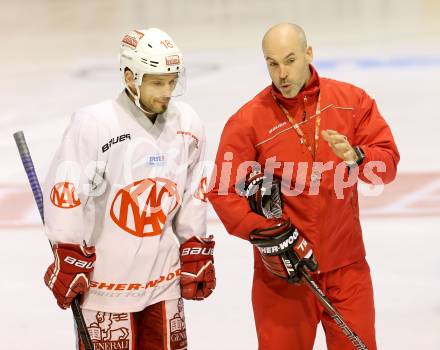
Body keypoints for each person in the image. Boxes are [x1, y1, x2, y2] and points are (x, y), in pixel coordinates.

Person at [207, 23, 399, 350]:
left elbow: (387, 162)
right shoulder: (248, 121)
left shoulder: (351, 101)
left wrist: (357, 156)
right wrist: (265, 232)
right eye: (272, 63)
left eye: (290, 60)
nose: (282, 73)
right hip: (283, 274)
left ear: (309, 54)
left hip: (346, 269)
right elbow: (222, 191)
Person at [43, 28, 215, 350]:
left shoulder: (188, 123)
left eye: (172, 80)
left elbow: (193, 191)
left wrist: (194, 244)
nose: (167, 91)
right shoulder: (94, 124)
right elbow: (66, 192)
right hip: (105, 288)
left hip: (164, 283)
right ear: (130, 76)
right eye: (156, 81)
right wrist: (67, 252)